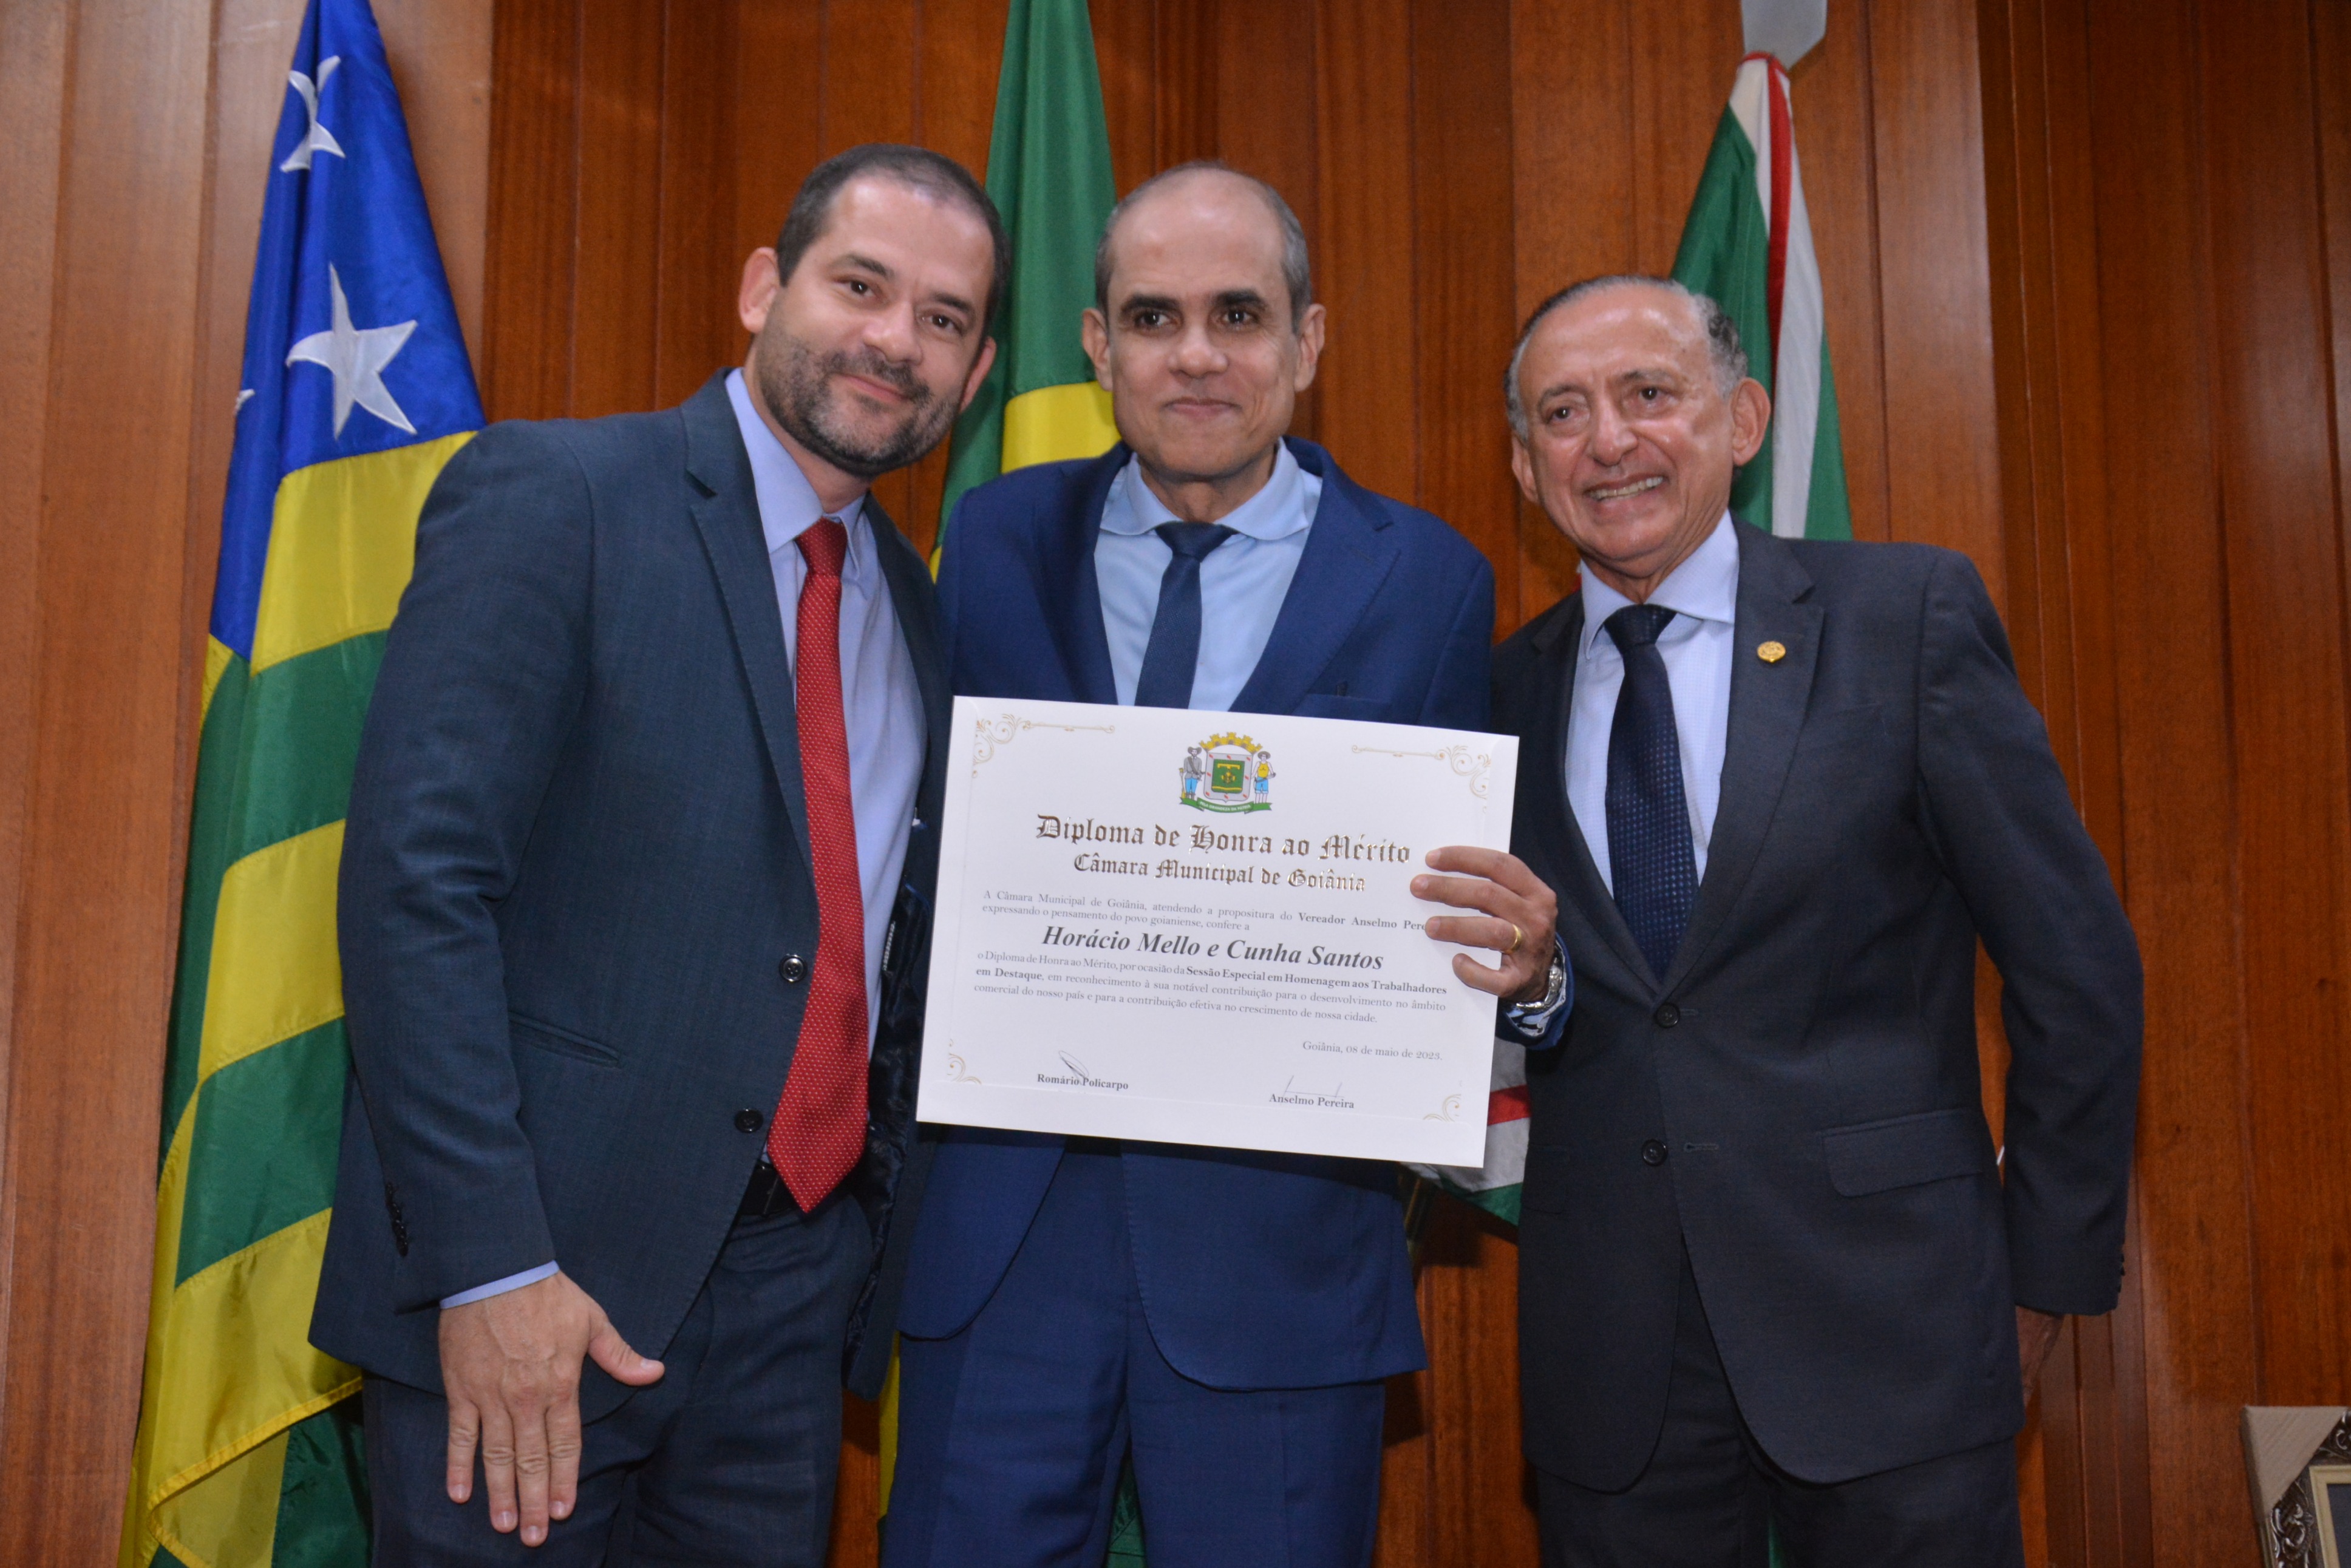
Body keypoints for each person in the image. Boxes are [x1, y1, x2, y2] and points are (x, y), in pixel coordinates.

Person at [310, 143, 1005, 1564]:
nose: (896, 339)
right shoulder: (558, 495)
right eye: (860, 285)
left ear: (978, 371)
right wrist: (490, 1262)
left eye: (943, 318)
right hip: (535, 1293)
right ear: (762, 288)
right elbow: (415, 890)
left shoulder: (918, 610)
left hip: (790, 1313)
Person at [880, 163, 1570, 1568]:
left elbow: (1456, 908)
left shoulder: (1431, 579)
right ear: (1098, 344)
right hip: (1003, 1246)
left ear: (1307, 341)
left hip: (1282, 1267)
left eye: (1238, 314)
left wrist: (1523, 973)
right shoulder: (992, 541)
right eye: (1154, 316)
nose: (1195, 354)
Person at [1492, 274, 2142, 1567]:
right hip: (1613, 1359)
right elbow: (1519, 995)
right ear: (1524, 465)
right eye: (1561, 413)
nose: (1608, 440)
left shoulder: (1905, 620)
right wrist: (1534, 991)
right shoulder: (1495, 690)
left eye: (1648, 394)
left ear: (1741, 420)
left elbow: (2076, 969)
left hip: (1895, 1323)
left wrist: (2041, 1278)